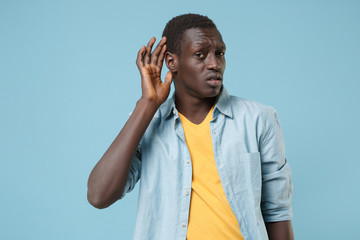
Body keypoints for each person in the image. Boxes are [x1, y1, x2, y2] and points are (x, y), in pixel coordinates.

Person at [87, 13, 294, 240]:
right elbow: (99, 196)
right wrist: (147, 104)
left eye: (220, 53)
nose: (215, 64)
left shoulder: (258, 119)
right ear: (171, 62)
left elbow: (277, 212)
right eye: (200, 55)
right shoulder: (148, 122)